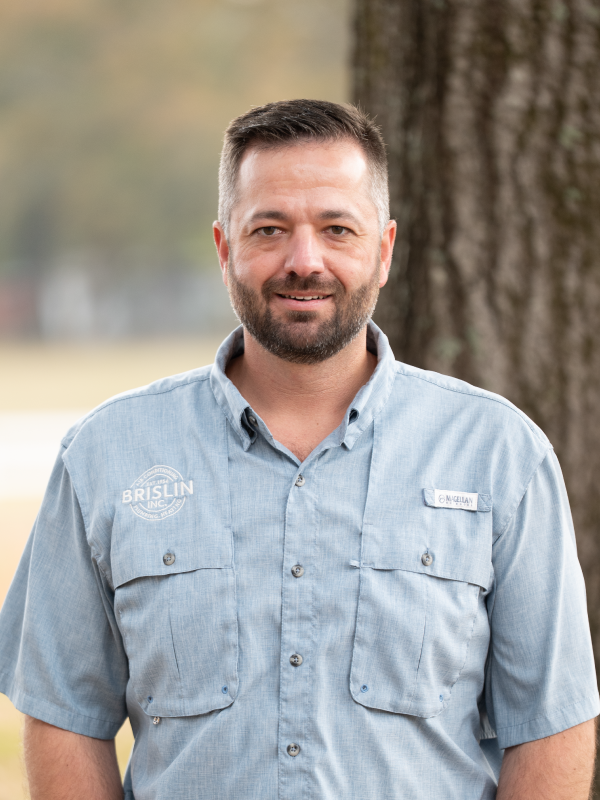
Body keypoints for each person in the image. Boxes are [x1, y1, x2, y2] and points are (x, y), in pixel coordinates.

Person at [0, 99, 598, 800]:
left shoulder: (501, 455)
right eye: (270, 229)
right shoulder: (104, 457)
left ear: (384, 250)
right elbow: (64, 715)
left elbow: (551, 723)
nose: (303, 261)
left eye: (337, 229)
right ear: (226, 250)